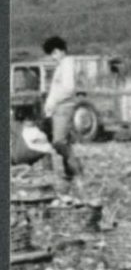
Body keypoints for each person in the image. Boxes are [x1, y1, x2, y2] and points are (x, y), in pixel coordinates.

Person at [37, 37, 80, 186]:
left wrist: (53, 101)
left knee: (59, 141)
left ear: (58, 51)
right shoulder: (63, 65)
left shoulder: (67, 64)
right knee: (62, 140)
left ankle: (76, 169)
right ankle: (70, 172)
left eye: (53, 54)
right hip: (59, 107)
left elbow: (68, 88)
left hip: (63, 107)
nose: (53, 58)